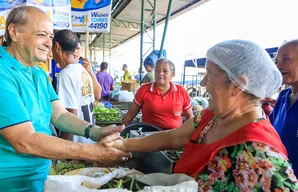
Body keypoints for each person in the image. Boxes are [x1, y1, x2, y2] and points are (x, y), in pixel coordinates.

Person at [0, 6, 130, 192]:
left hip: (39, 179)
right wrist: (94, 152)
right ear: (14, 32)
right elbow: (23, 140)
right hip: (3, 185)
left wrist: (95, 132)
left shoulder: (37, 72)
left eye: (51, 37)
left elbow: (60, 115)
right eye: (41, 35)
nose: (48, 43)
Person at [104, 40, 298, 191]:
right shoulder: (210, 118)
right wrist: (123, 144)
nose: (203, 82)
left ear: (238, 84)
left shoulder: (263, 158)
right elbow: (173, 136)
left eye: (209, 74)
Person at [53, 29, 99, 144]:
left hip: (76, 143)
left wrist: (61, 144)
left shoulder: (65, 75)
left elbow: (69, 114)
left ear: (56, 46)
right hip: (89, 140)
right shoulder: (83, 70)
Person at [122, 59, 193, 130]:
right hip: (149, 135)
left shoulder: (181, 91)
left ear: (172, 75)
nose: (160, 73)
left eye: (165, 71)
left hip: (175, 137)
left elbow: (190, 117)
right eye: (157, 70)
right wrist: (120, 131)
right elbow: (130, 115)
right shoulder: (144, 90)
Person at [270, 39, 298, 176]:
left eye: (285, 59)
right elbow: (269, 130)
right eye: (277, 62)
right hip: (282, 178)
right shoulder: (283, 96)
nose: (279, 66)